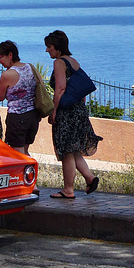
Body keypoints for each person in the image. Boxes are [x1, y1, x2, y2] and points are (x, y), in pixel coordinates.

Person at [44, 30, 102, 199]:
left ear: (57, 47)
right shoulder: (74, 61)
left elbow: (60, 88)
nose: (47, 50)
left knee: (67, 151)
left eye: (49, 46)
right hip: (78, 110)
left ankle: (68, 190)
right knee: (74, 150)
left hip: (67, 112)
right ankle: (90, 178)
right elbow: (81, 89)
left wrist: (54, 110)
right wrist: (81, 110)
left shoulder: (59, 63)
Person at [0, 40, 40, 157]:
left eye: (0, 57)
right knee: (25, 151)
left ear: (10, 55)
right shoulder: (30, 67)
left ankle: (25, 174)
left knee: (18, 155)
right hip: (33, 115)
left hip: (17, 117)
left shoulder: (8, 74)